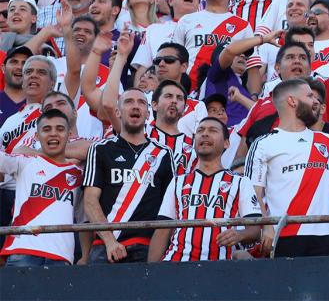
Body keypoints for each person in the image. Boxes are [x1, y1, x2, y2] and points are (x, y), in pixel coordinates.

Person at [245, 78, 329, 257]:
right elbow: (253, 192)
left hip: (326, 235)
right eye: (310, 96)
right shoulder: (264, 143)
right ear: (292, 101)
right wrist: (266, 227)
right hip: (284, 235)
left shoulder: (325, 141)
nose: (316, 102)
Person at [148, 116, 263, 261]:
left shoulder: (241, 182)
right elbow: (162, 231)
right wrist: (151, 274)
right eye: (200, 130)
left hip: (220, 267)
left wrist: (239, 234)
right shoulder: (178, 181)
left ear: (227, 143)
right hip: (176, 264)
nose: (205, 134)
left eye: (213, 130)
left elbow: (255, 229)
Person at [83, 89, 176, 264]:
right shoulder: (100, 149)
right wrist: (110, 242)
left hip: (148, 248)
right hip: (105, 247)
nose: (135, 106)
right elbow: (89, 200)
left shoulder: (164, 153)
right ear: (117, 112)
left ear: (148, 114)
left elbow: (170, 206)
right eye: (129, 102)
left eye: (141, 103)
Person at [0, 108, 83, 266]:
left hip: (62, 256)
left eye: (60, 129)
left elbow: (85, 218)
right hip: (22, 250)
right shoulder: (25, 161)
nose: (53, 134)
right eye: (46, 129)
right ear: (37, 136)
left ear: (69, 135)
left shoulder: (79, 174)